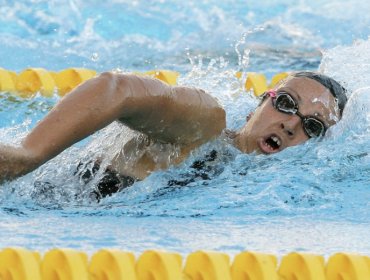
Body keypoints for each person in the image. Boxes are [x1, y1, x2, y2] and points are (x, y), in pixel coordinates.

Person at [0, 71, 347, 198]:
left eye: (312, 127)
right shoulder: (205, 126)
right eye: (286, 103)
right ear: (254, 108)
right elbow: (117, 89)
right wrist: (27, 156)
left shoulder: (263, 193)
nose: (291, 123)